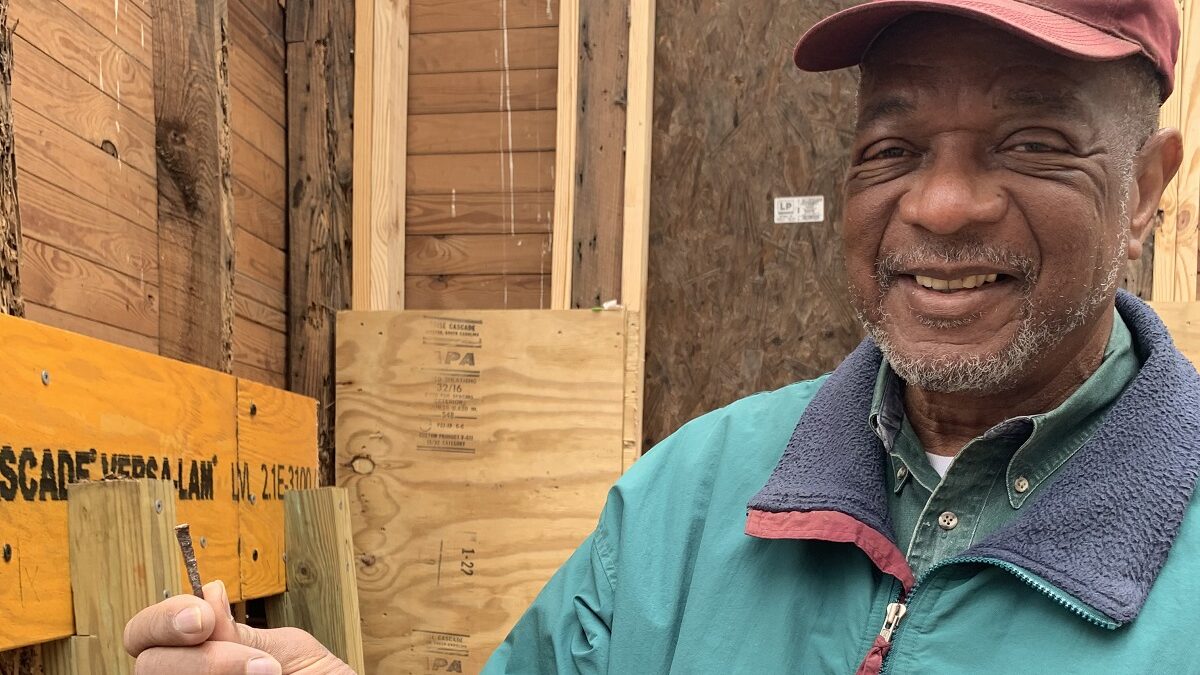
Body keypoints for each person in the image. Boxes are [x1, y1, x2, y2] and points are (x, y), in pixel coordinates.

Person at [124, 0, 1199, 672]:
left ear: (1148, 186)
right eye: (894, 145)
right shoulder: (688, 498)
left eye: (1029, 140)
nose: (943, 204)